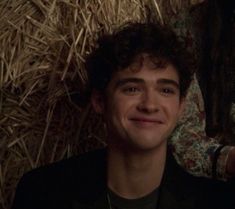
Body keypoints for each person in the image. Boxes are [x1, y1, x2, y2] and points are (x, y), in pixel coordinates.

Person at [12, 22, 234, 209]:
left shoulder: (218, 202)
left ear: (181, 107)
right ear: (99, 101)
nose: (149, 105)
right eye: (132, 89)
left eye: (166, 90)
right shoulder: (42, 194)